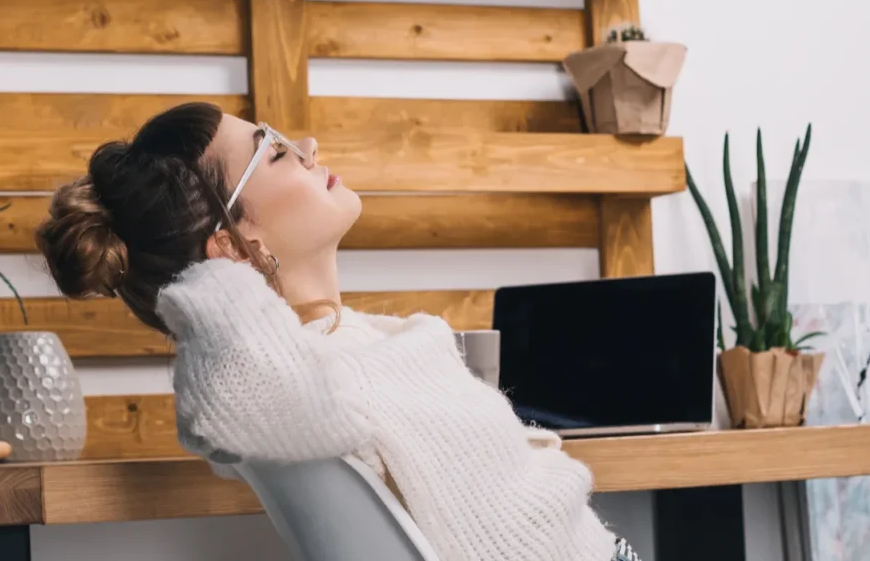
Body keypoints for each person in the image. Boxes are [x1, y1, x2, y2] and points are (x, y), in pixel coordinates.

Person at [35, 102, 641, 561]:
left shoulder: (363, 350)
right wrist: (215, 282)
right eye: (273, 153)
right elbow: (231, 398)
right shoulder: (316, 383)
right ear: (236, 244)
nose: (308, 145)